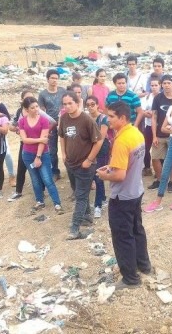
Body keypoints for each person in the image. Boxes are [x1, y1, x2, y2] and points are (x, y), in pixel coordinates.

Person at [96, 101, 153, 289]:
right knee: (137, 230)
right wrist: (112, 167)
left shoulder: (121, 141)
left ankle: (130, 278)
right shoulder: (135, 133)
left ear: (122, 118)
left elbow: (119, 175)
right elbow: (127, 164)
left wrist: (105, 175)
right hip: (136, 190)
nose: (107, 119)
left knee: (122, 237)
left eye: (111, 116)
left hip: (122, 197)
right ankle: (144, 265)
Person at [59, 91, 103, 239]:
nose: (67, 106)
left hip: (85, 165)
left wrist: (89, 160)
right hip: (70, 163)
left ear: (78, 103)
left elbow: (98, 141)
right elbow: (62, 136)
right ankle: (87, 216)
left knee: (81, 196)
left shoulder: (86, 120)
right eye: (64, 104)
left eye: (70, 103)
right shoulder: (64, 118)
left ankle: (74, 229)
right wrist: (63, 154)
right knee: (76, 190)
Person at [7, 90, 57, 202]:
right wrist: (18, 129)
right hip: (26, 145)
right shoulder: (20, 112)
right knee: (22, 168)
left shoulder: (39, 113)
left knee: (43, 172)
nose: (31, 102)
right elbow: (11, 126)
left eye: (32, 98)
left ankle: (43, 194)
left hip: (39, 146)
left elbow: (53, 122)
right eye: (27, 99)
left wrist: (45, 133)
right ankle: (19, 191)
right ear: (23, 102)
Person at [18, 96, 62, 213]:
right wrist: (39, 140)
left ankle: (57, 203)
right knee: (35, 179)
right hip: (27, 154)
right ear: (27, 110)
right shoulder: (22, 121)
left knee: (47, 179)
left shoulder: (43, 120)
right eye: (32, 107)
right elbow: (25, 140)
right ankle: (39, 201)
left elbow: (43, 141)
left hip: (42, 154)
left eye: (37, 106)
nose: (36, 109)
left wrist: (38, 157)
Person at [149, 74, 172, 191]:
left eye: (168, 83)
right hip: (159, 135)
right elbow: (154, 117)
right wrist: (154, 135)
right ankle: (160, 180)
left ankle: (171, 182)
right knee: (155, 157)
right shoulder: (158, 98)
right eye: (164, 83)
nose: (166, 85)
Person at [38, 69, 67, 181]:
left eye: (56, 78)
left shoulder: (62, 91)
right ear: (47, 79)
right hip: (51, 125)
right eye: (52, 78)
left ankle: (70, 170)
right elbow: (42, 111)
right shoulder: (43, 94)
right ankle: (55, 172)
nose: (54, 80)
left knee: (68, 148)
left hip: (63, 122)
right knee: (52, 150)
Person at [86, 95, 111, 218]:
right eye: (88, 105)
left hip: (101, 148)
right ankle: (102, 198)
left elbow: (101, 137)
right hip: (89, 148)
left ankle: (98, 205)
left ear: (97, 105)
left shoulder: (103, 118)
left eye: (92, 104)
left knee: (98, 176)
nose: (90, 107)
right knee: (93, 176)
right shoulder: (85, 118)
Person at [140, 77, 160, 177]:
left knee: (160, 148)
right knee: (146, 147)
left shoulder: (162, 97)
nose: (154, 87)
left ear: (160, 85)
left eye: (156, 85)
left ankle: (159, 170)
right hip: (148, 125)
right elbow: (142, 110)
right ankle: (147, 167)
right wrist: (146, 113)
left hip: (159, 126)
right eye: (152, 85)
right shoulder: (147, 97)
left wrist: (152, 113)